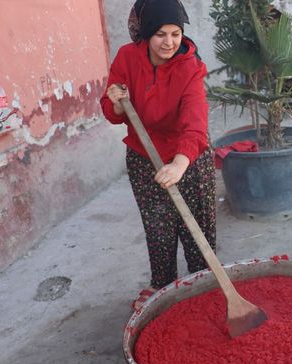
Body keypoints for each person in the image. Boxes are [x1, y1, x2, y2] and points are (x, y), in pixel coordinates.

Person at [100, 0, 215, 311]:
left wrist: (179, 163)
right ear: (147, 33)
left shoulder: (190, 67)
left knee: (197, 224)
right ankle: (162, 284)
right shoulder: (128, 57)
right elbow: (112, 113)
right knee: (157, 225)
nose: (169, 42)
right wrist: (116, 102)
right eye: (161, 34)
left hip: (188, 155)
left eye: (176, 33)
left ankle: (204, 282)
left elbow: (195, 124)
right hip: (144, 156)